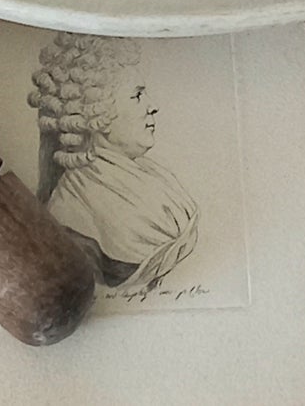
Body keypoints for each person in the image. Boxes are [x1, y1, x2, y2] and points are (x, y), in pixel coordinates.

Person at [27, 33, 199, 297]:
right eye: (137, 96)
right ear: (97, 112)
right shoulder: (70, 211)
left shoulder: (154, 175)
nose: (152, 107)